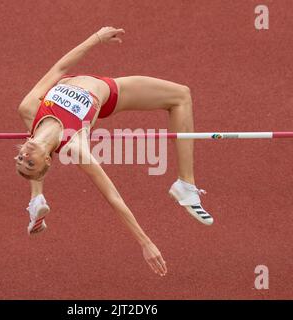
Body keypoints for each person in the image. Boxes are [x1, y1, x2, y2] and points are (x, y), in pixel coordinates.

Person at [15, 26, 213, 277]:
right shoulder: (75, 146)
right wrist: (145, 242)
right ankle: (186, 185)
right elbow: (113, 197)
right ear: (47, 160)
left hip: (91, 85)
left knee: (182, 93)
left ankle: (36, 200)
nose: (24, 156)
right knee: (180, 96)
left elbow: (60, 69)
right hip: (108, 93)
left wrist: (95, 38)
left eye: (20, 158)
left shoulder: (30, 109)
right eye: (29, 163)